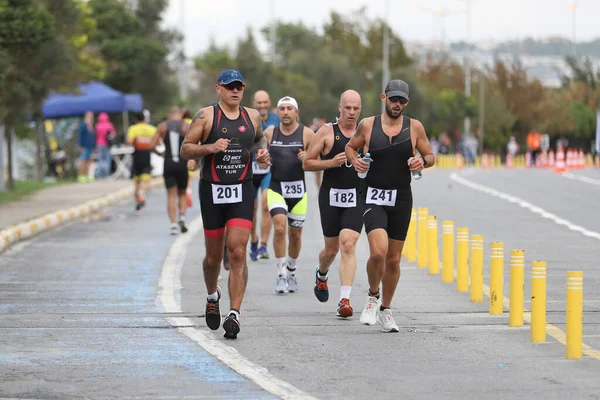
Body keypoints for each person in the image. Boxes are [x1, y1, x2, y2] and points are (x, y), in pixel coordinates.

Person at [180, 69, 270, 340]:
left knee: (238, 251)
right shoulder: (206, 116)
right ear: (219, 89)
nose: (235, 91)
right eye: (230, 86)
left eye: (239, 87)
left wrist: (263, 153)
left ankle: (234, 314)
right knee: (213, 258)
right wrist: (210, 148)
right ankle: (212, 295)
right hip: (212, 192)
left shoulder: (252, 116)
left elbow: (258, 140)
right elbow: (186, 148)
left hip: (242, 190)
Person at [345, 79, 435, 332]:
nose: (397, 104)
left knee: (394, 260)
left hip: (401, 199)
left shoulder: (414, 127)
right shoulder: (367, 125)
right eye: (393, 99)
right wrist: (356, 161)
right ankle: (372, 297)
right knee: (378, 252)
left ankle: (386, 309)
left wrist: (422, 162)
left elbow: (430, 155)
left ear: (407, 102)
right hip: (373, 195)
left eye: (401, 100)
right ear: (383, 98)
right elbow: (350, 148)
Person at [303, 90, 363, 318]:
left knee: (348, 243)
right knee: (331, 249)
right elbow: (307, 164)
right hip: (330, 196)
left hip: (356, 196)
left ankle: (344, 300)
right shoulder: (327, 132)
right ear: (340, 108)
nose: (351, 112)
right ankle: (322, 274)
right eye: (347, 108)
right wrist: (330, 163)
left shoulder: (365, 132)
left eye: (356, 108)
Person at [264, 96, 315, 294]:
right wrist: (262, 160)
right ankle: (281, 273)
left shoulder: (307, 134)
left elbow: (317, 162)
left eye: (289, 109)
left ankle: (292, 270)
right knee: (279, 228)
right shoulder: (270, 133)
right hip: (276, 188)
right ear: (277, 112)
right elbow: (260, 157)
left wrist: (308, 158)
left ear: (296, 112)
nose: (285, 112)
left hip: (298, 192)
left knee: (295, 236)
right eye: (282, 109)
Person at [149, 107, 190, 235]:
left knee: (171, 195)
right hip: (183, 163)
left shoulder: (162, 126)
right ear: (180, 115)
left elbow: (151, 145)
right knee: (182, 193)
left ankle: (173, 224)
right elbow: (195, 143)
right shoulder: (186, 126)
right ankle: (182, 217)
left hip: (168, 164)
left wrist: (161, 153)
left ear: (169, 115)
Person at [249, 90, 279, 261]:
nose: (262, 106)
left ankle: (263, 245)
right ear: (254, 103)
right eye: (259, 103)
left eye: (265, 102)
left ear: (269, 102)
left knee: (267, 205)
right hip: (251, 170)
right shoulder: (247, 117)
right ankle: (254, 239)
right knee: (252, 209)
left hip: (269, 170)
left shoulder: (276, 119)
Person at [126, 112, 157, 212]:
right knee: (146, 180)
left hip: (137, 156)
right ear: (145, 118)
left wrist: (135, 140)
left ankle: (138, 202)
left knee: (137, 182)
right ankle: (142, 195)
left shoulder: (133, 128)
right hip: (146, 156)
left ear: (135, 119)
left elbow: (129, 141)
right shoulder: (152, 129)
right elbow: (158, 142)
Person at [95, 112, 116, 178]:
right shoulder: (109, 125)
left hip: (99, 144)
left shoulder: (97, 125)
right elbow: (113, 134)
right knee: (107, 159)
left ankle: (99, 174)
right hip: (107, 144)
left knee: (100, 159)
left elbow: (96, 136)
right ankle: (106, 174)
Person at [78, 111, 96, 183]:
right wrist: (81, 145)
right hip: (84, 146)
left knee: (89, 161)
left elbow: (93, 136)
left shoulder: (91, 125)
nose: (91, 117)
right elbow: (80, 136)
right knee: (83, 161)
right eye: (89, 115)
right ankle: (81, 176)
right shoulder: (83, 125)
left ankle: (87, 176)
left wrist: (94, 146)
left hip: (90, 146)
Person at [182, 109, 195, 208]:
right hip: (191, 153)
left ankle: (183, 192)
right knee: (190, 176)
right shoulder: (193, 122)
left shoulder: (180, 124)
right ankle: (189, 191)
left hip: (182, 153)